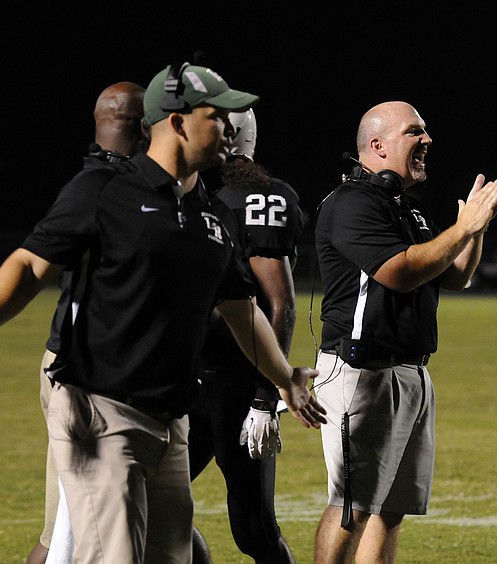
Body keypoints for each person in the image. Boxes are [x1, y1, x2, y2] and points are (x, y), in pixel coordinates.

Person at [0, 63, 326, 563]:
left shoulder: (209, 215)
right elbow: (30, 262)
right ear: (175, 121)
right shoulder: (106, 189)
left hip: (171, 419)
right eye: (218, 116)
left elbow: (241, 310)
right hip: (100, 407)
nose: (231, 130)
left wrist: (284, 379)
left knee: (171, 557)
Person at [312, 100, 497, 563]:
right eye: (414, 132)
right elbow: (400, 272)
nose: (427, 141)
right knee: (353, 507)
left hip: (410, 372)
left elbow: (454, 276)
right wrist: (462, 227)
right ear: (378, 146)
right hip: (360, 372)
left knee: (390, 509)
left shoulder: (406, 206)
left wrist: (476, 229)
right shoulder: (351, 203)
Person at [25, 80, 147, 564]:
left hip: (94, 367)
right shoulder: (104, 187)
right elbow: (31, 262)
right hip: (86, 373)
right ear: (146, 127)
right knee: (67, 534)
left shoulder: (112, 181)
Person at [188, 108, 302, 562]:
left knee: (253, 530)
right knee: (159, 507)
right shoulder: (185, 192)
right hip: (184, 383)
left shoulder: (256, 197)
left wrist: (264, 396)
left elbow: (280, 303)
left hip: (236, 389)